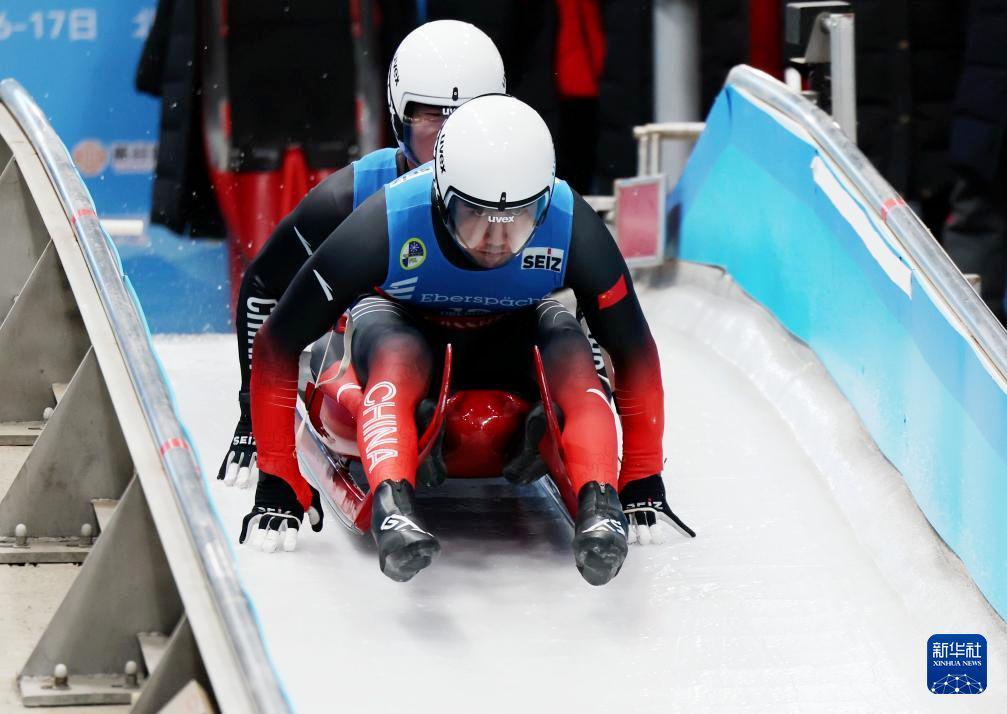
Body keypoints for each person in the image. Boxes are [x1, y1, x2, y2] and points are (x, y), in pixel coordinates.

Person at [241, 95, 689, 585]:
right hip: (405, 329)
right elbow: (279, 341)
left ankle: (600, 502)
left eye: (517, 221)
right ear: (440, 197)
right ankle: (394, 504)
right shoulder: (387, 219)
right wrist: (277, 476)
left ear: (543, 206)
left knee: (569, 343)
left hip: (514, 331)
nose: (495, 241)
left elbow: (631, 348)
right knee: (395, 353)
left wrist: (642, 475)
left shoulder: (572, 223)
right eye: (475, 217)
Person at [218, 20, 507, 487]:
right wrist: (254, 410)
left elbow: (592, 291)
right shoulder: (350, 194)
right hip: (378, 363)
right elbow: (263, 285)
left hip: (494, 358)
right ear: (399, 116)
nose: (448, 141)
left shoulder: (531, 189)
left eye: (466, 120)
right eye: (432, 118)